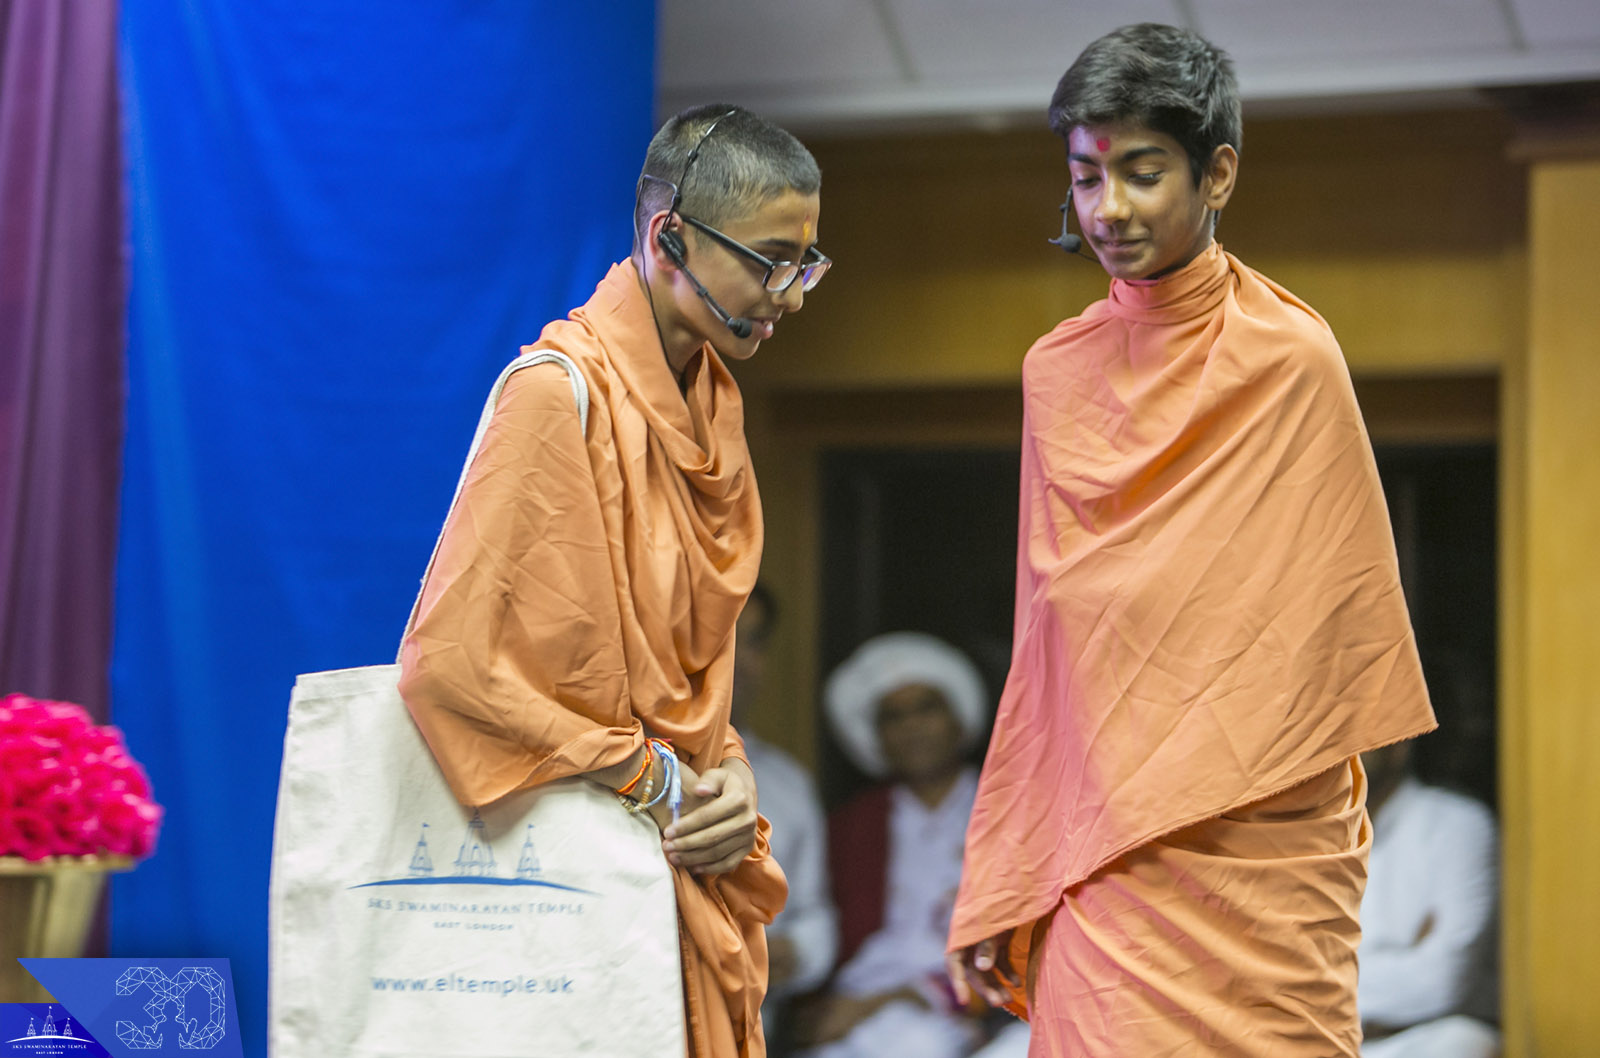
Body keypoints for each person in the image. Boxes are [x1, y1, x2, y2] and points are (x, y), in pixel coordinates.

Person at [944, 23, 1437, 1057]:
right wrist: (1003, 861)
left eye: (1140, 171)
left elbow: (1332, 637)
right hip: (1108, 858)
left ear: (1216, 170)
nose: (1107, 208)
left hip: (1262, 847)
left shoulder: (1290, 357)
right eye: (1085, 176)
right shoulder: (1056, 371)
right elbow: (1045, 640)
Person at [398, 103, 829, 1058]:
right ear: (667, 235)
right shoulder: (557, 393)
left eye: (806, 263)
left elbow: (692, 688)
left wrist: (725, 784)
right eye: (768, 261)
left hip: (671, 852)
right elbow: (450, 667)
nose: (790, 294)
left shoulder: (717, 405)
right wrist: (652, 778)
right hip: (567, 875)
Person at [794, 632, 1000, 1058]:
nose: (911, 727)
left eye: (926, 708)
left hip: (955, 1009)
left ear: (958, 719)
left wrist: (890, 1002)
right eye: (892, 716)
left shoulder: (1006, 809)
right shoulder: (852, 825)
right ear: (876, 737)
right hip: (854, 1001)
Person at [732, 582, 840, 1045]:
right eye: (720, 639)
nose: (736, 661)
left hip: (754, 1030)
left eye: (753, 642)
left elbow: (816, 916)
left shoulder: (789, 785)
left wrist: (787, 953)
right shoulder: (621, 770)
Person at [1359, 741, 1500, 1058]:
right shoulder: (1306, 843)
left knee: (1464, 1044)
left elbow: (1443, 982)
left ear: (1397, 748)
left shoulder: (1458, 825)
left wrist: (1323, 983)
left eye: (1358, 739)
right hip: (1323, 1041)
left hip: (1420, 1040)